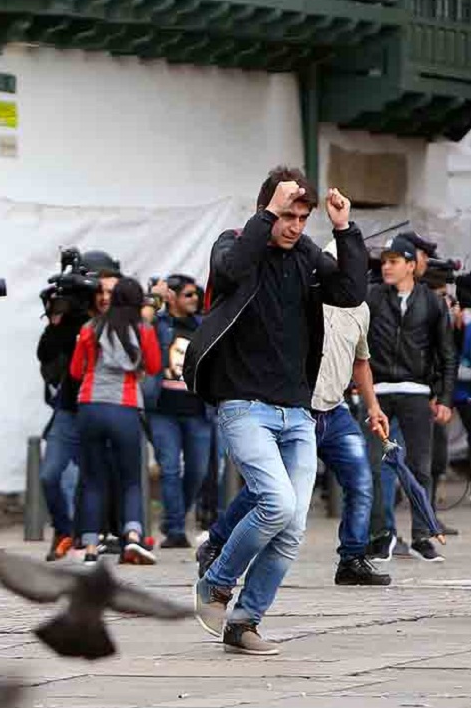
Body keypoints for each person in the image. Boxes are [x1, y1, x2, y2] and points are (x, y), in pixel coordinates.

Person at [187, 168, 366, 655]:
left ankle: (244, 621)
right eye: (286, 215)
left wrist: (344, 229)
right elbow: (229, 273)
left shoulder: (308, 256)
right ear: (266, 209)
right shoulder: (235, 243)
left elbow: (351, 292)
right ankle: (216, 584)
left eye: (302, 218)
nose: (294, 226)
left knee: (292, 527)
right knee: (276, 504)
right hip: (244, 405)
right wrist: (265, 219)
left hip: (296, 411)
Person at [200, 239, 391, 586]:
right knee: (273, 494)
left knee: (360, 479)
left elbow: (361, 362)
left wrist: (373, 407)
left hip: (335, 410)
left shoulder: (359, 307)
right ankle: (216, 542)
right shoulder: (305, 295)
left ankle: (352, 557)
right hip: (295, 405)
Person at [365, 233, 456, 563]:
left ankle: (422, 535)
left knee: (421, 466)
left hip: (417, 392)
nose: (386, 267)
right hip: (378, 394)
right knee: (378, 465)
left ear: (410, 265)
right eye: (384, 262)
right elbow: (356, 342)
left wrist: (443, 397)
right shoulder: (372, 297)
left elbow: (446, 353)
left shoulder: (431, 302)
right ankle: (382, 536)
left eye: (393, 261)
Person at [69, 277, 161, 565]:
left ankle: (91, 547)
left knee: (93, 479)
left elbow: (75, 371)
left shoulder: (90, 328)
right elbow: (156, 365)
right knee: (131, 479)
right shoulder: (143, 330)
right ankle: (132, 537)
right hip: (125, 407)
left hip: (90, 406)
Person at [36, 251, 120, 561]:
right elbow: (47, 354)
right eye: (99, 291)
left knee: (95, 476)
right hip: (69, 409)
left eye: (108, 291)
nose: (102, 297)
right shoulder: (71, 319)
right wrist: (58, 318)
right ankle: (63, 530)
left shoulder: (118, 319)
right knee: (50, 475)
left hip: (102, 410)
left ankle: (97, 534)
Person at [144, 275, 211, 549]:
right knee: (170, 468)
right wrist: (154, 298)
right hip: (163, 409)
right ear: (172, 298)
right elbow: (138, 327)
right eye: (188, 295)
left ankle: (176, 517)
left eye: (196, 294)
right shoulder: (160, 325)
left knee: (198, 470)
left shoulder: (203, 326)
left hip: (198, 409)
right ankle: (174, 529)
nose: (194, 299)